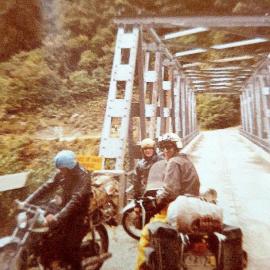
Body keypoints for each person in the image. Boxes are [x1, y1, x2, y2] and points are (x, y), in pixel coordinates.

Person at [135, 133, 200, 270]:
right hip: (193, 206)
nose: (165, 151)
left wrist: (156, 201)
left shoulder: (173, 163)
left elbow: (170, 191)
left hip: (178, 208)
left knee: (146, 234)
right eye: (163, 148)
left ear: (176, 148)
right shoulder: (186, 161)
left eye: (168, 148)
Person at [25, 150, 91, 270]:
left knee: (70, 249)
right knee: (44, 232)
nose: (60, 171)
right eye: (59, 169)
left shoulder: (83, 177)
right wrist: (27, 201)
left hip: (78, 214)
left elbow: (75, 201)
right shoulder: (63, 173)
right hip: (64, 208)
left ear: (70, 167)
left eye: (62, 169)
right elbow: (46, 186)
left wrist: (57, 217)